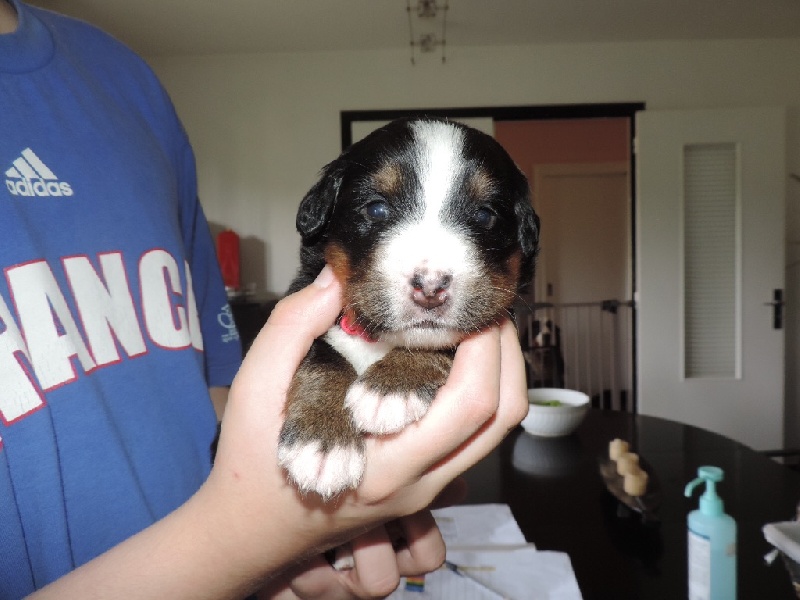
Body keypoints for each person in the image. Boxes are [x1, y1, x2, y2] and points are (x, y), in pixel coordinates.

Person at [0, 1, 529, 599]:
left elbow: (222, 378)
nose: (432, 276)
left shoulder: (123, 79)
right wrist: (254, 538)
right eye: (379, 209)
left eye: (484, 216)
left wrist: (275, 560)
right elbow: (305, 366)